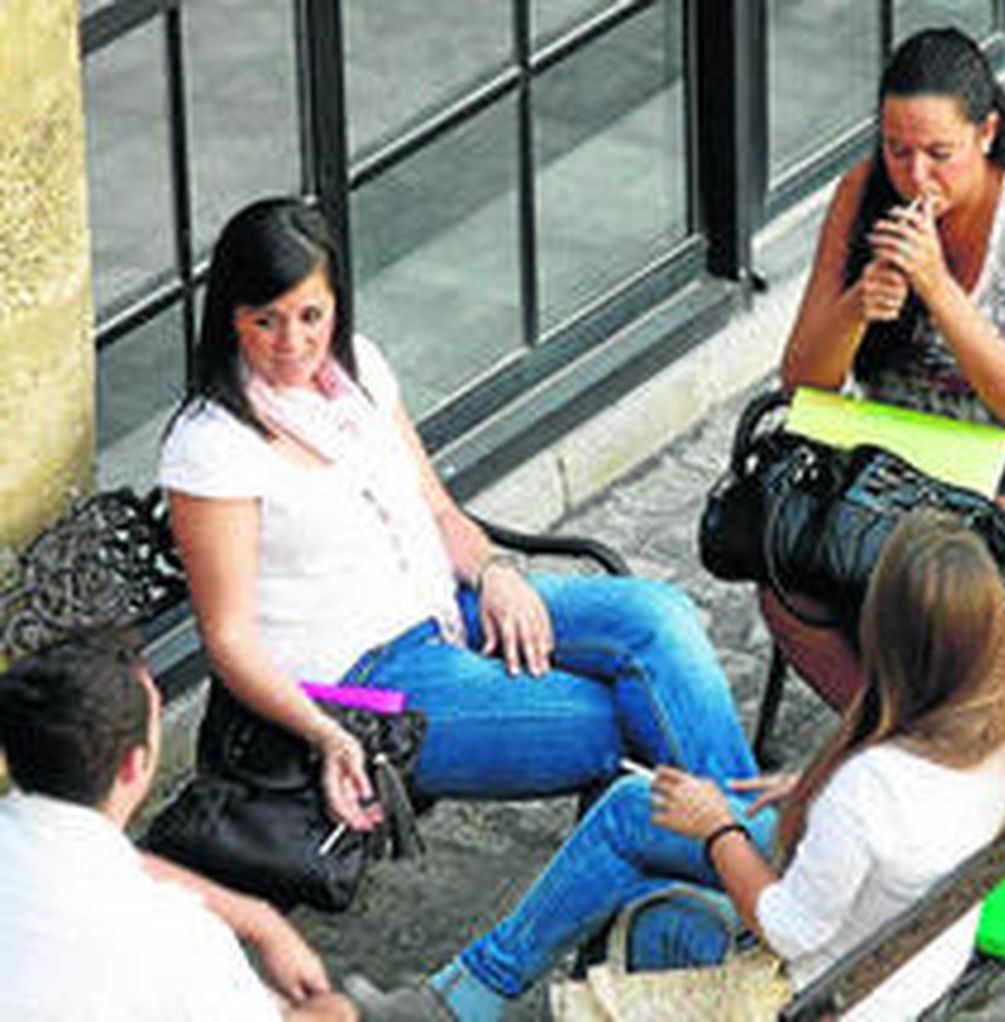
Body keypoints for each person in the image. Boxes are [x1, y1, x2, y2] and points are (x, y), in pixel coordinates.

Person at [158, 197, 755, 839]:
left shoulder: (356, 372)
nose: (294, 343)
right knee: (614, 714)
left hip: (447, 610)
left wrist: (496, 574)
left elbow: (437, 509)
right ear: (230, 316)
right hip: (364, 686)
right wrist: (327, 735)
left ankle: (753, 867)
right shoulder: (211, 445)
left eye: (311, 315)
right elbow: (229, 643)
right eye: (265, 321)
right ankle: (761, 863)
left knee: (658, 615)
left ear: (337, 302)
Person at [351, 511, 1005, 1020]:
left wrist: (718, 827)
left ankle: (456, 1004)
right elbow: (909, 804)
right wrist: (814, 783)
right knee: (639, 805)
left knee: (649, 869)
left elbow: (791, 929)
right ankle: (459, 1000)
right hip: (920, 955)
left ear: (888, 636)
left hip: (832, 993)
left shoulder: (872, 792)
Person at [781, 27, 1005, 595]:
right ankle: (888, 691)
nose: (916, 176)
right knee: (787, 579)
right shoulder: (861, 191)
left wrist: (938, 289)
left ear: (986, 132)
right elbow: (801, 386)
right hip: (914, 462)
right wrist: (856, 309)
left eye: (939, 154)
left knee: (937, 589)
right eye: (897, 149)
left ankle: (933, 688)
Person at [0, 629, 355, 1020]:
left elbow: (102, 860)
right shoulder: (178, 941)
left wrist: (259, 920)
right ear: (134, 765)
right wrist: (332, 1012)